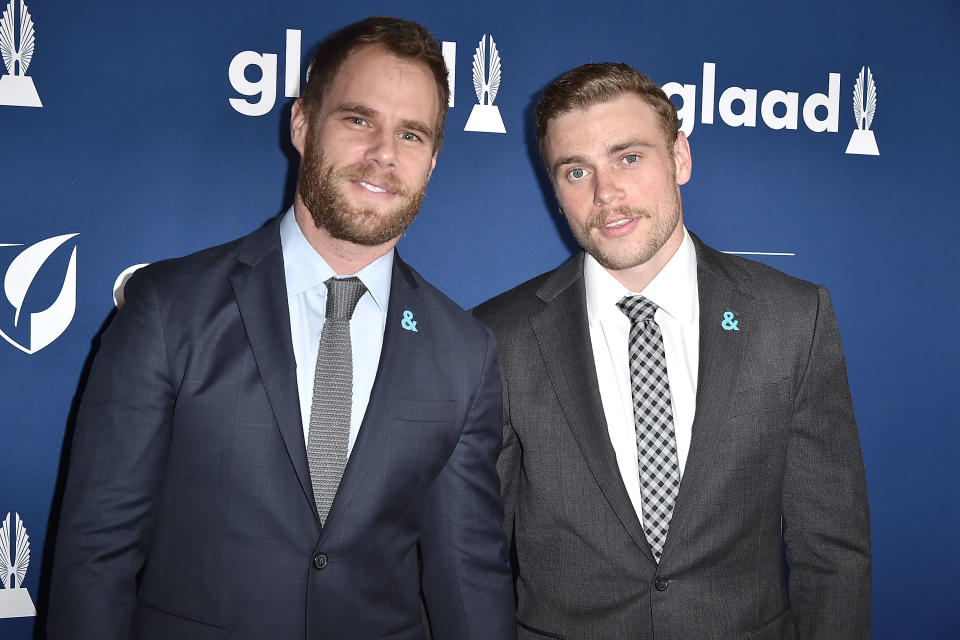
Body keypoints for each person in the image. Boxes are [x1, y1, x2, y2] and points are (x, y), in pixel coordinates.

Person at [47, 16, 515, 640]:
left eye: (411, 133)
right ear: (301, 124)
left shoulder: (465, 353)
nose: (383, 152)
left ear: (432, 161)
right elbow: (95, 555)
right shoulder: (169, 308)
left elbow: (468, 579)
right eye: (358, 119)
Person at [473, 62, 871, 640]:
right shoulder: (497, 336)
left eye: (628, 157)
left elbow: (833, 552)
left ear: (680, 158)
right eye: (576, 171)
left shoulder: (792, 318)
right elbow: (469, 558)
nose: (606, 193)